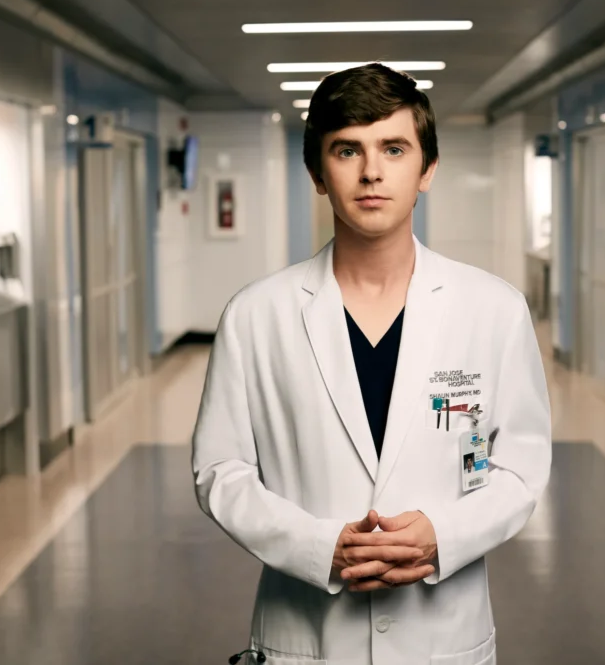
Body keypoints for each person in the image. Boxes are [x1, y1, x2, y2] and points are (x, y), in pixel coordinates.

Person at [192, 63, 552, 665]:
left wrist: (444, 535)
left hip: (445, 638)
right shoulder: (256, 316)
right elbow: (221, 471)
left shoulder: (494, 310)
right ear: (317, 172)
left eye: (393, 147)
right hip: (305, 635)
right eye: (346, 150)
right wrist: (317, 545)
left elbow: (521, 466)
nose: (372, 171)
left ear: (427, 169)